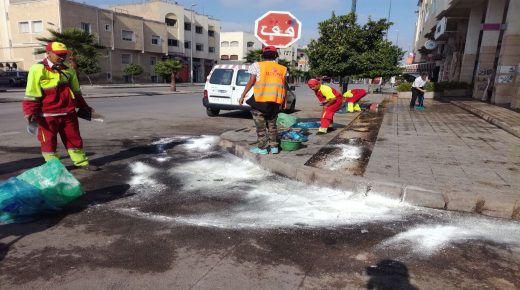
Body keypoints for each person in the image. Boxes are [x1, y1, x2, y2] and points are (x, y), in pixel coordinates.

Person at [22, 42, 99, 171]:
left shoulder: (68, 70)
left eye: (63, 54)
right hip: (47, 115)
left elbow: (76, 92)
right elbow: (32, 93)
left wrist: (84, 107)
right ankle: (54, 167)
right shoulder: (37, 69)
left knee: (74, 139)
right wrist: (30, 111)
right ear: (48, 54)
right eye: (58, 55)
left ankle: (81, 162)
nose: (62, 57)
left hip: (68, 114)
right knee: (49, 142)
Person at [239, 46, 287, 155]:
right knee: (272, 126)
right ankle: (274, 147)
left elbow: (251, 81)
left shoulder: (257, 65)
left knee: (261, 128)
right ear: (276, 55)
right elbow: (284, 87)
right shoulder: (282, 68)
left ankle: (263, 148)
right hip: (275, 102)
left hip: (260, 101)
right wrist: (284, 102)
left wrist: (243, 95)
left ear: (263, 55)